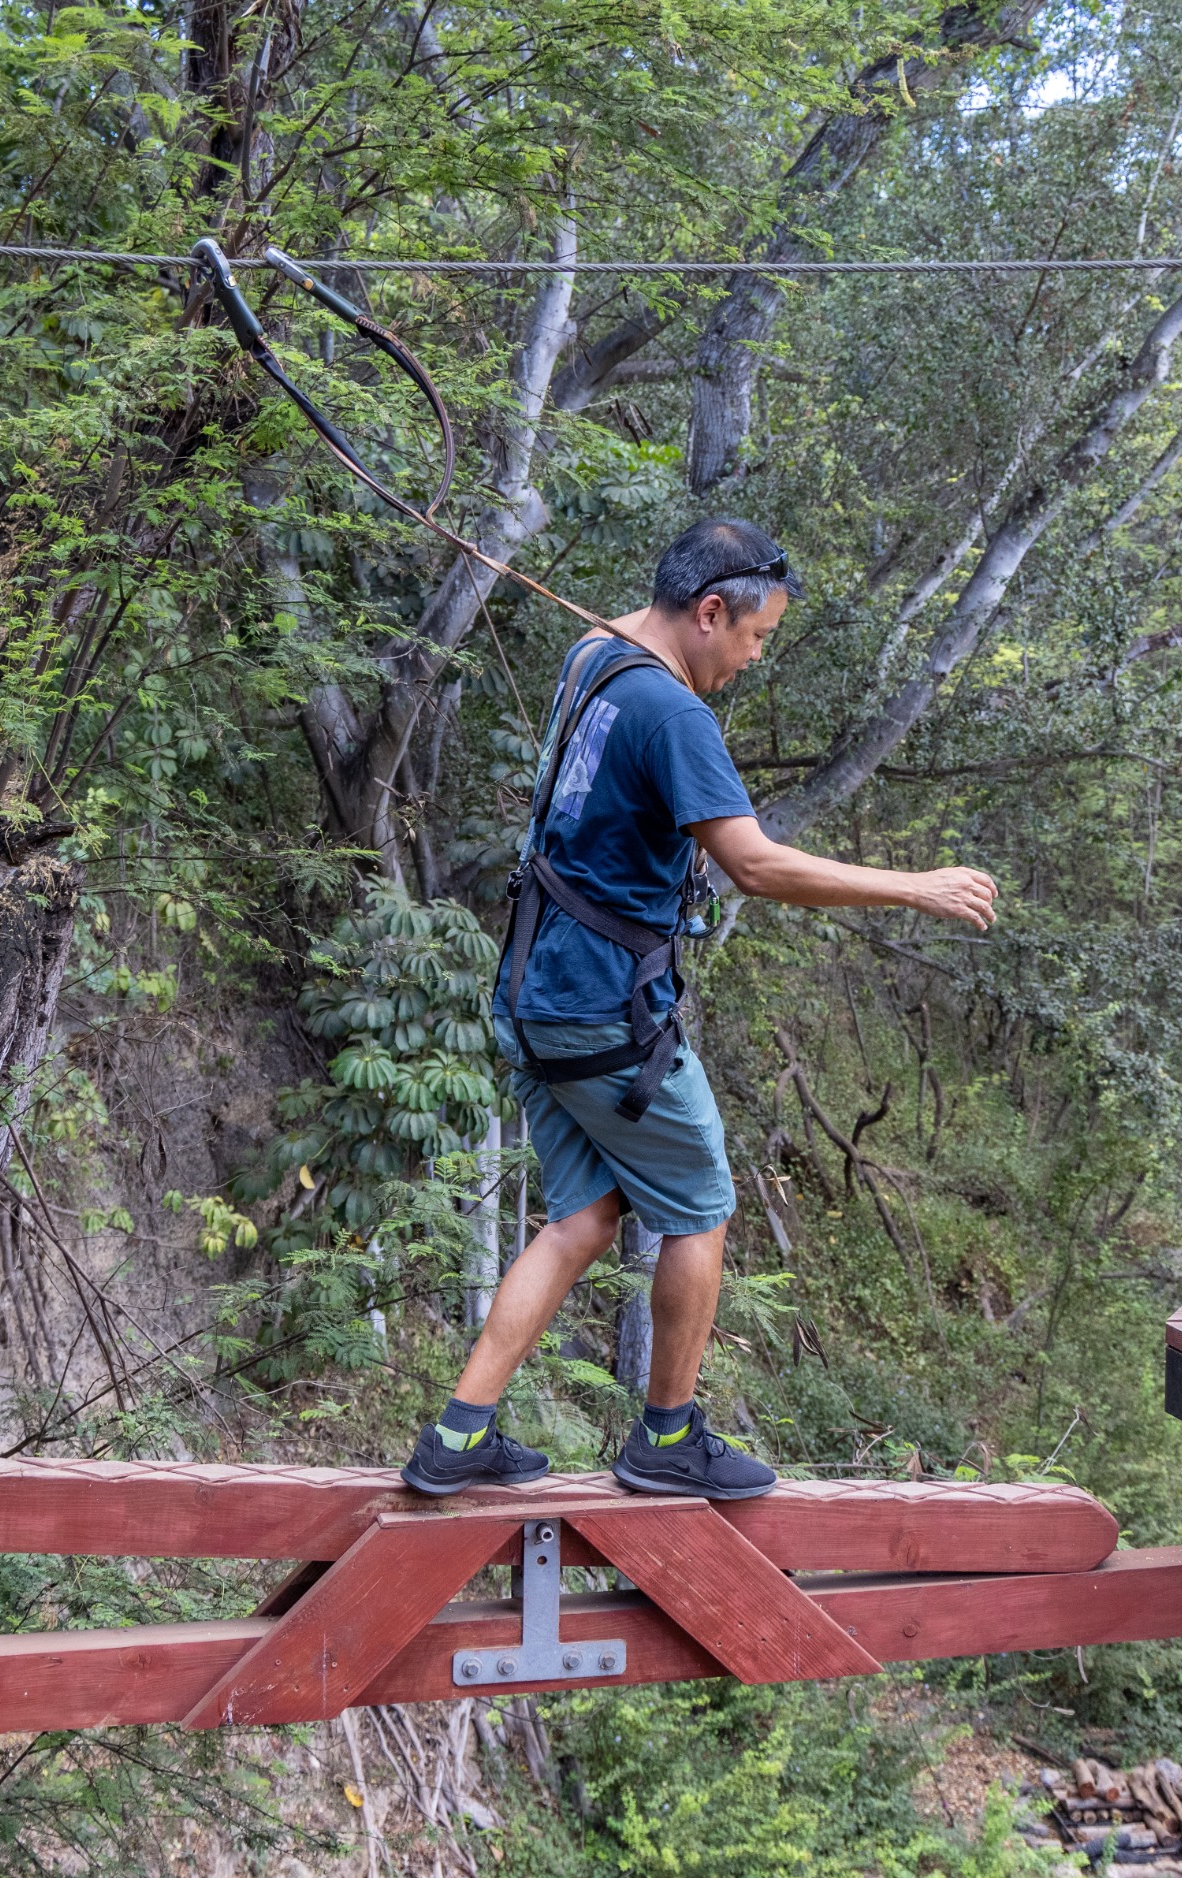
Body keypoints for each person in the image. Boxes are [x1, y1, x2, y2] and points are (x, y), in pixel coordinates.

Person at [401, 519, 999, 1500]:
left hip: (534, 992)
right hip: (605, 1013)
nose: (752, 660)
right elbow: (755, 865)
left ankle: (458, 1435)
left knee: (583, 1216)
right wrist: (916, 885)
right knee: (702, 1207)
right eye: (755, 638)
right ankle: (667, 1436)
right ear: (709, 612)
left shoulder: (592, 654)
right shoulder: (674, 716)